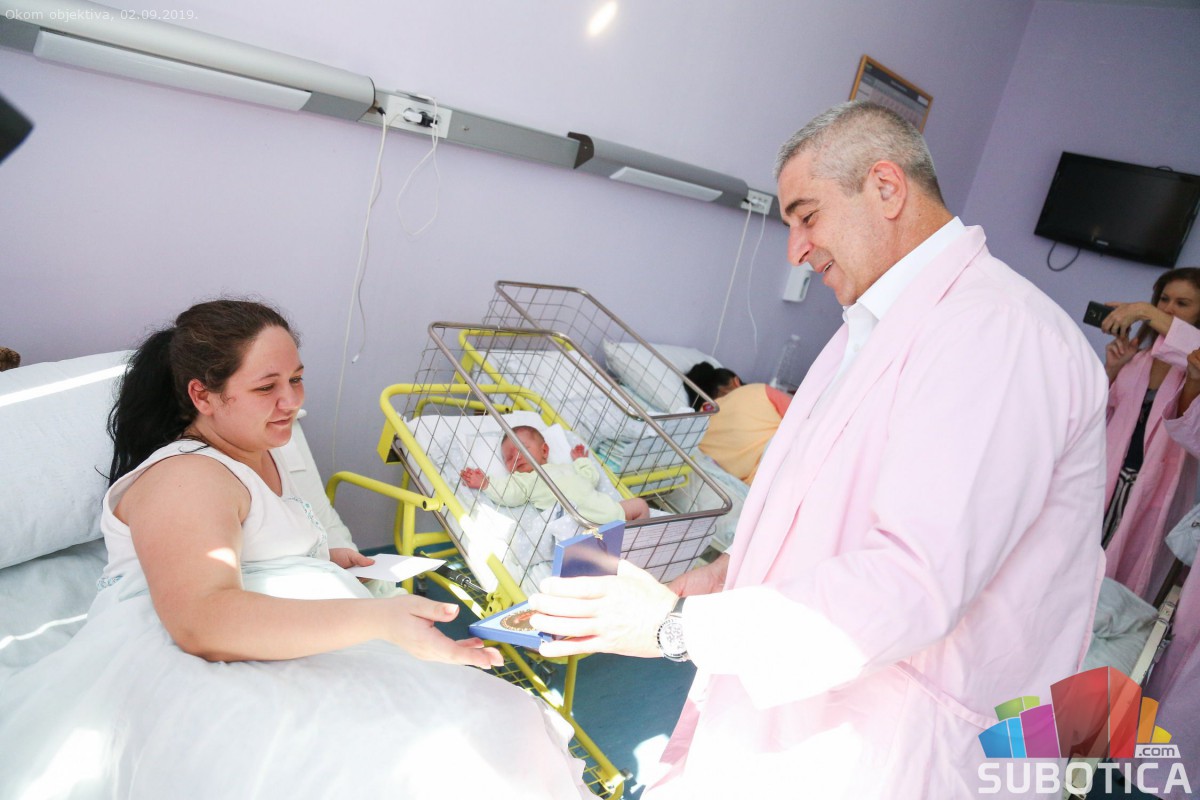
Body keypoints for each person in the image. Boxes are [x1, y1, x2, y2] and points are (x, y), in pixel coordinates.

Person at [526, 101, 1107, 798]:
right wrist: (732, 573)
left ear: (886, 187)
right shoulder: (873, 326)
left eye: (807, 217)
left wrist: (675, 628)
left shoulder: (997, 333)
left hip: (903, 739)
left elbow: (915, 579)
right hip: (820, 705)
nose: (796, 250)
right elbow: (825, 507)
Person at [0, 299, 589, 798]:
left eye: (296, 379)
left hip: (289, 638)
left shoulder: (257, 452)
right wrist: (379, 620)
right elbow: (201, 621)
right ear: (203, 395)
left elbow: (248, 543)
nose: (291, 402)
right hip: (200, 665)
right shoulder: (186, 476)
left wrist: (319, 560)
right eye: (267, 387)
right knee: (434, 756)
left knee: (490, 728)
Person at [1096, 268, 1200, 599]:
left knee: (1124, 577)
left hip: (1154, 489)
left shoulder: (1194, 370)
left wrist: (1143, 310)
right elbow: (1096, 419)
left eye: (1182, 303)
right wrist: (1112, 370)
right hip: (1106, 479)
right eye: (1163, 300)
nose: (1168, 309)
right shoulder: (1137, 358)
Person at [461, 425, 650, 522]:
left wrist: (581, 461)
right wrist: (486, 483)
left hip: (605, 509)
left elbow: (591, 478)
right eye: (509, 458)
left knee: (640, 505)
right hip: (580, 523)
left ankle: (636, 542)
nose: (516, 458)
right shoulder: (524, 479)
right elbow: (510, 494)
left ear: (544, 450)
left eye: (522, 449)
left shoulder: (565, 467)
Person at [683, 361, 791, 484]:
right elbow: (801, 417)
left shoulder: (700, 427)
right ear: (736, 381)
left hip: (763, 484)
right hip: (787, 459)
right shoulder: (759, 390)